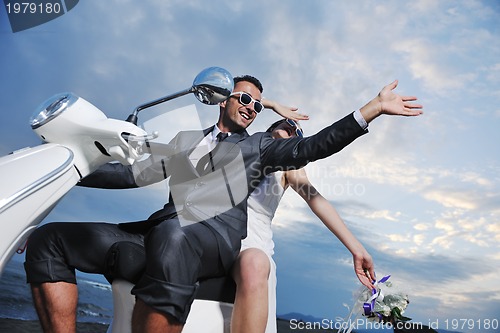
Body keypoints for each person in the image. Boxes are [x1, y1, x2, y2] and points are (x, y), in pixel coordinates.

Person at [24, 75, 422, 333]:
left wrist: (371, 109)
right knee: (49, 240)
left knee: (176, 236)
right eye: (244, 100)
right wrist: (63, 171)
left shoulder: (262, 146)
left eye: (256, 105)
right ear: (222, 101)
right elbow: (130, 174)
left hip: (214, 240)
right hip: (158, 231)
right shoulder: (182, 140)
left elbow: (314, 146)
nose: (250, 107)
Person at [231, 119, 375, 333]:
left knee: (255, 264)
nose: (294, 129)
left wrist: (357, 248)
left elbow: (317, 201)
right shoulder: (243, 145)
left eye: (298, 132)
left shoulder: (289, 165)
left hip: (251, 242)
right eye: (288, 124)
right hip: (217, 230)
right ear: (272, 127)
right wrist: (270, 103)